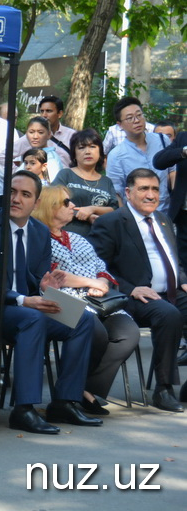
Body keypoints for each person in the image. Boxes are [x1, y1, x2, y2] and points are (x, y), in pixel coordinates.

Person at [0, 170, 101, 433]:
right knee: (33, 318)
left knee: (82, 319)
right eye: (12, 192)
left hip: (26, 306)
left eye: (25, 194)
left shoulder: (38, 231)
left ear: (36, 203)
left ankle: (64, 401)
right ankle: (24, 409)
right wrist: (24, 299)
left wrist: (44, 286)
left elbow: (37, 278)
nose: (16, 199)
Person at [31, 185, 140, 415]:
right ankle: (72, 393)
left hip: (99, 300)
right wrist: (91, 283)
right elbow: (54, 278)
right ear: (51, 207)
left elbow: (101, 268)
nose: (73, 206)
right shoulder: (36, 237)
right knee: (95, 331)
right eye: (66, 202)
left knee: (129, 333)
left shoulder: (77, 238)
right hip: (58, 301)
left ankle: (83, 388)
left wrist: (103, 284)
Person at [87, 168, 187, 411]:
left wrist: (183, 278)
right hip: (131, 295)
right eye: (144, 189)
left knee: (172, 308)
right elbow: (98, 268)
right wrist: (132, 289)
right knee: (168, 314)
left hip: (171, 291)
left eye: (155, 189)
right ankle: (163, 389)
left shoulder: (163, 219)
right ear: (128, 192)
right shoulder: (110, 222)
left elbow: (174, 260)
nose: (151, 195)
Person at [106, 96, 172, 214]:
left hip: (167, 213)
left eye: (139, 115)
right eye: (130, 118)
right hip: (138, 217)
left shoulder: (162, 140)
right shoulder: (116, 155)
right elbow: (117, 193)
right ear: (120, 125)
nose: (136, 121)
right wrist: (127, 221)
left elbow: (173, 172)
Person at [52, 129, 118, 237]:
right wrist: (83, 215)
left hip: (100, 238)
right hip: (67, 235)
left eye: (92, 147)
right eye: (81, 147)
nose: (88, 152)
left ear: (100, 152)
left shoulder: (106, 181)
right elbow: (52, 202)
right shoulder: (66, 175)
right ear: (74, 154)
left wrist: (93, 209)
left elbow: (114, 209)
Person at [154, 125, 187, 268]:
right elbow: (159, 161)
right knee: (183, 262)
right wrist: (184, 151)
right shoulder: (183, 138)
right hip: (184, 215)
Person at [13, 96, 76, 167]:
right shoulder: (33, 137)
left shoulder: (71, 135)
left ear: (60, 114)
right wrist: (19, 172)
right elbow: (3, 156)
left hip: (66, 177)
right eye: (42, 111)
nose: (44, 115)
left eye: (49, 111)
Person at [16, 117, 63, 182]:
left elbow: (52, 187)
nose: (35, 137)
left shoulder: (51, 159)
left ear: (49, 134)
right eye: (31, 132)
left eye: (40, 132)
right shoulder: (30, 154)